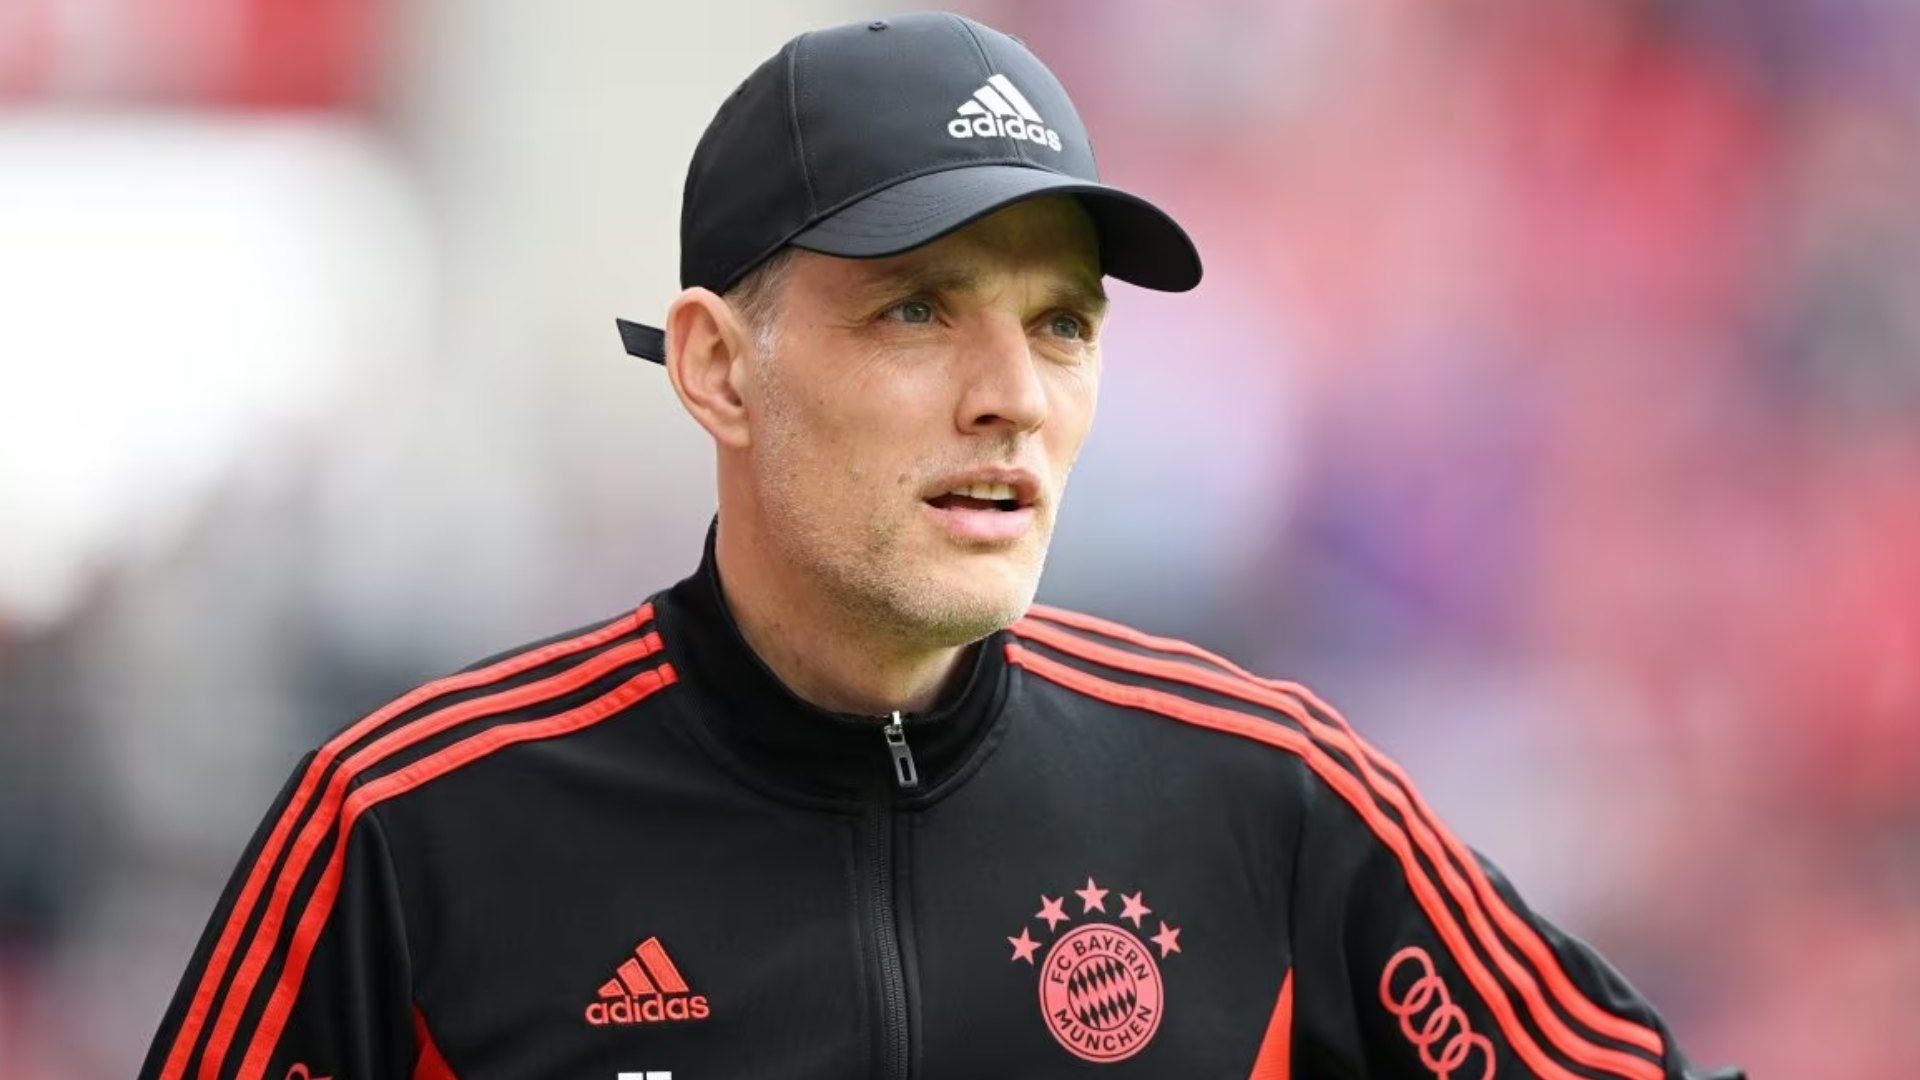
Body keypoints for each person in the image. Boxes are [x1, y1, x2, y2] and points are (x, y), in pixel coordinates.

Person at [141, 11, 1744, 1080]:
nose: (1011, 398)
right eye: (918, 310)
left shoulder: (1272, 798)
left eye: (1062, 324)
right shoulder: (405, 831)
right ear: (717, 368)